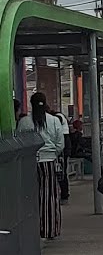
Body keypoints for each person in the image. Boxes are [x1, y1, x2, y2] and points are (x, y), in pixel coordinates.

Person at [17, 92, 65, 240]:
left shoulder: (24, 122)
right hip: (49, 162)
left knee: (29, 196)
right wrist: (52, 154)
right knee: (49, 197)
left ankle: (31, 230)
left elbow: (19, 143)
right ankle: (49, 229)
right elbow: (60, 144)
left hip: (29, 163)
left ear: (31, 104)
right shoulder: (54, 120)